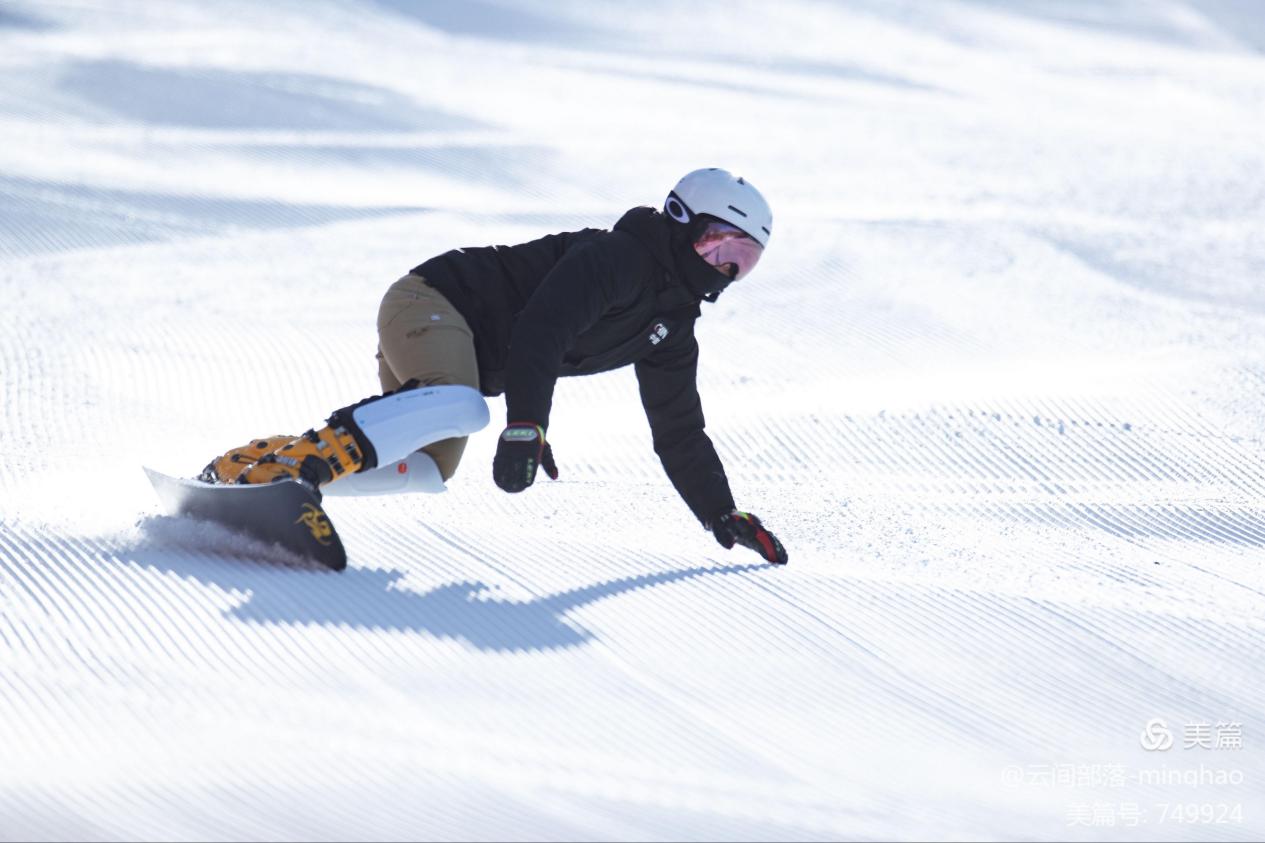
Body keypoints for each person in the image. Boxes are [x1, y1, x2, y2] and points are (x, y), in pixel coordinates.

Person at [203, 168, 788, 565]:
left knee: (430, 467)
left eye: (742, 261)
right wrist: (528, 423)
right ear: (681, 221)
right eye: (718, 246)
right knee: (461, 405)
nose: (725, 270)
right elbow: (542, 331)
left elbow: (679, 427)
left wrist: (720, 513)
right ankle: (303, 472)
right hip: (432, 301)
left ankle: (259, 468)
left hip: (469, 355)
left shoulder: (673, 326)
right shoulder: (617, 259)